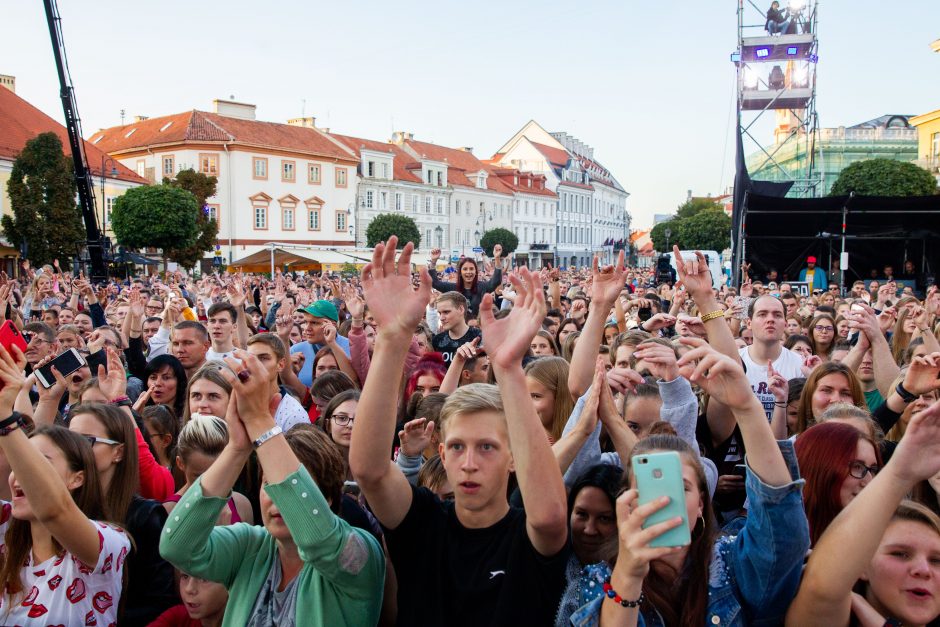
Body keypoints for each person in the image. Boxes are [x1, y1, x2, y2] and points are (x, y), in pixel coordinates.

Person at [350, 237, 569, 625]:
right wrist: (393, 338)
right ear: (441, 451)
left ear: (514, 457)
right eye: (456, 447)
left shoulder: (526, 536)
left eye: (486, 447)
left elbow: (551, 517)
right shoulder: (424, 524)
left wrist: (508, 370)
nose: (468, 463)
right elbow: (370, 470)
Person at [571, 337, 809, 626]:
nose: (663, 499)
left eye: (681, 486)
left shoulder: (732, 562)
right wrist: (629, 575)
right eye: (645, 487)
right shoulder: (599, 578)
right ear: (625, 502)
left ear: (701, 504)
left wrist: (747, 408)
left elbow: (783, 534)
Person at [158, 349, 385, 625]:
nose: (278, 497)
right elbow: (177, 547)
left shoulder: (360, 552)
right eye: (268, 484)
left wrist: (259, 421)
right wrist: (237, 449)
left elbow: (316, 540)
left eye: (288, 486)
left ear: (325, 497)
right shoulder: (249, 546)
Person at [0, 345, 131, 626]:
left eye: (41, 463)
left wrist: (5, 418)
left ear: (77, 478)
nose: (21, 475)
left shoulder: (107, 544)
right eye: (23, 465)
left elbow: (53, 510)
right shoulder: (6, 537)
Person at [786, 397, 940, 627]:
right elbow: (823, 589)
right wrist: (901, 473)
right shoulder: (777, 555)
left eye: (938, 560)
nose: (923, 570)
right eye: (900, 554)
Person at [164, 414, 253, 526]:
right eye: (200, 478)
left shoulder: (241, 505)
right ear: (180, 463)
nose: (211, 485)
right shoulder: (169, 513)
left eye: (220, 475)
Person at [428, 245, 504, 318]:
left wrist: (497, 258)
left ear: (475, 271)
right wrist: (433, 261)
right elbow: (435, 283)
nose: (468, 272)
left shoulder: (482, 287)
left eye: (471, 269)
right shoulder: (452, 288)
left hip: (476, 328)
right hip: (458, 329)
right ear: (460, 272)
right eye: (465, 269)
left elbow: (496, 281)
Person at [288, 300, 350, 388]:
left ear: (332, 325)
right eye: (306, 322)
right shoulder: (296, 350)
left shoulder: (351, 347)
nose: (307, 328)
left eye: (314, 323)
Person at [431, 291, 482, 365]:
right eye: (439, 313)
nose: (441, 318)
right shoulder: (436, 341)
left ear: (461, 309)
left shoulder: (479, 337)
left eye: (446, 312)